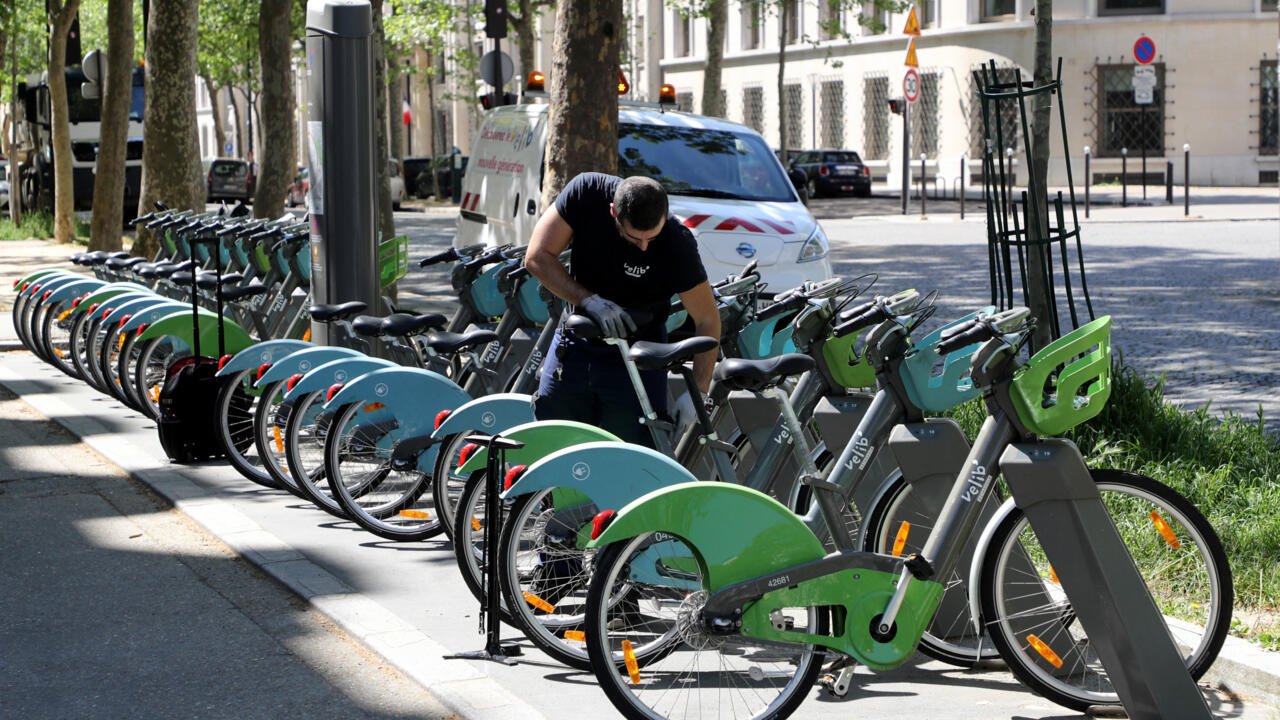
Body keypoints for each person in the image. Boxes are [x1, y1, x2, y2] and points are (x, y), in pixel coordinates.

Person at [523, 172, 720, 447]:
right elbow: (536, 257)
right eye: (634, 238)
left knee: (631, 462)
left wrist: (699, 391)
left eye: (652, 237)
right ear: (613, 212)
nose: (643, 246)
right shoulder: (586, 192)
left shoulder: (677, 243)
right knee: (549, 443)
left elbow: (707, 319)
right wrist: (588, 299)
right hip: (577, 343)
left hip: (639, 358)